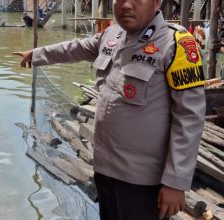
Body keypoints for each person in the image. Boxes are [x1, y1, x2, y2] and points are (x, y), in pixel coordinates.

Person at [13, 0, 206, 219]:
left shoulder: (176, 44)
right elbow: (75, 48)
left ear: (156, 2)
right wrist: (36, 54)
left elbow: (190, 118)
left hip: (142, 180)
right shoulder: (111, 35)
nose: (126, 5)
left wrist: (175, 182)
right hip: (104, 169)